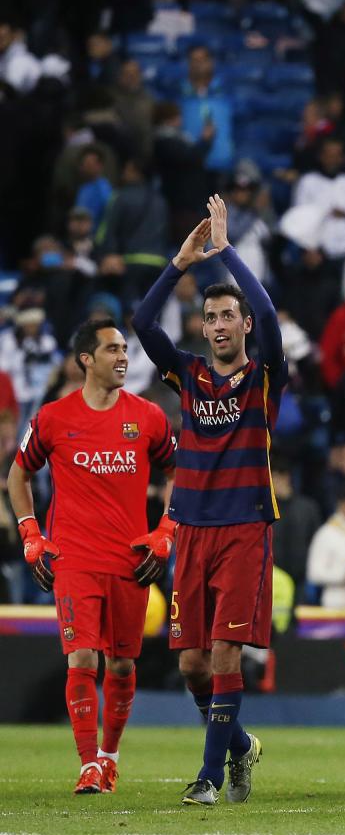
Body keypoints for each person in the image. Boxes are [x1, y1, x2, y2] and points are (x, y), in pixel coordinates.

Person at [134, 197, 283, 806]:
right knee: (192, 666)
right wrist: (179, 263)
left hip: (244, 528)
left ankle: (208, 777)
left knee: (224, 651)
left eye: (229, 315)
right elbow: (144, 324)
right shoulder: (188, 375)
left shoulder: (264, 377)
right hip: (191, 529)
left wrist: (226, 255)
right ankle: (240, 744)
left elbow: (271, 311)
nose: (219, 325)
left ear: (244, 325)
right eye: (211, 316)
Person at [8, 316, 174, 794]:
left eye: (125, 349)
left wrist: (165, 530)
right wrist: (31, 535)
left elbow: (178, 473)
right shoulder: (53, 418)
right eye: (112, 350)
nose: (123, 357)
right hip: (74, 559)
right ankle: (87, 764)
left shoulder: (148, 417)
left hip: (131, 561)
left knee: (121, 664)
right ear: (86, 360)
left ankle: (109, 757)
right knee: (81, 657)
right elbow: (18, 475)